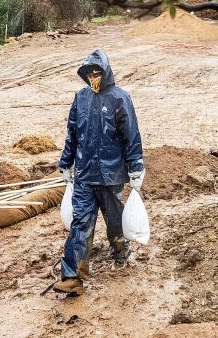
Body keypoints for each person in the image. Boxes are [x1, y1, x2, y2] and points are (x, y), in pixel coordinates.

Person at [53, 49, 145, 296]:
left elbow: (131, 136)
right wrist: (66, 163)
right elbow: (72, 133)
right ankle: (73, 276)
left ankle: (121, 251)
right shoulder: (81, 98)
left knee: (114, 221)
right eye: (89, 74)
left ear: (105, 73)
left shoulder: (119, 98)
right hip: (84, 174)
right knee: (81, 222)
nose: (93, 77)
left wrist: (136, 167)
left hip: (110, 174)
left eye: (97, 73)